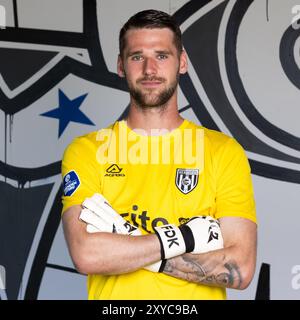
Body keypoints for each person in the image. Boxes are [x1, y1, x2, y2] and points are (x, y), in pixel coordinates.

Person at [61, 9, 257, 300]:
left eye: (162, 56)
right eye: (137, 56)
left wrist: (128, 243)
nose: (150, 69)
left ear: (182, 62)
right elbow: (87, 255)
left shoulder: (223, 152)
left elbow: (239, 267)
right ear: (121, 66)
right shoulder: (87, 151)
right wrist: (185, 238)